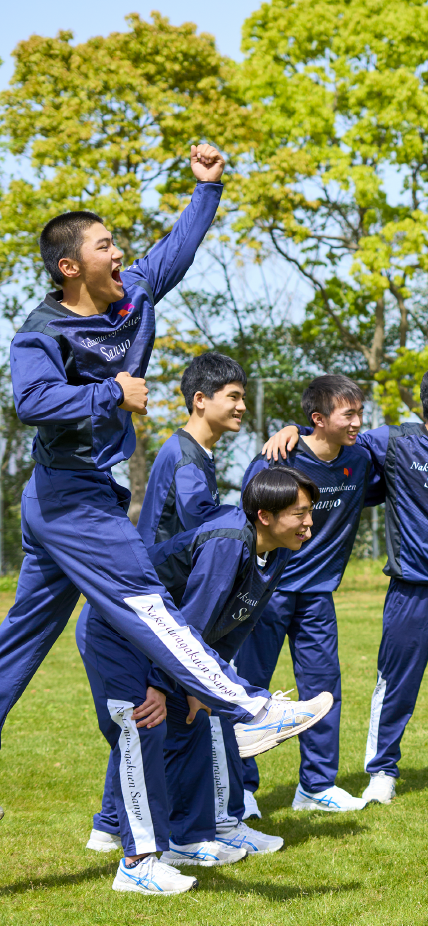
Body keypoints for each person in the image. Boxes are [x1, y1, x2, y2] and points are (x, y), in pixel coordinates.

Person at [0, 146, 321, 891]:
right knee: (148, 598)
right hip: (69, 499)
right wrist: (112, 394)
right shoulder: (39, 334)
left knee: (18, 648)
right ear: (68, 268)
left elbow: (173, 254)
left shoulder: (131, 298)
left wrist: (206, 190)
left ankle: (141, 842)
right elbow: (30, 402)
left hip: (85, 503)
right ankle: (246, 708)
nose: (120, 252)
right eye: (104, 245)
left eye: (117, 243)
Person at [76, 465, 332, 884]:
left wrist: (197, 689)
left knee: (195, 724)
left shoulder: (278, 549)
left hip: (171, 643)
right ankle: (137, 865)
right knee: (145, 730)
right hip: (115, 629)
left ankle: (188, 840)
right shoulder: (229, 542)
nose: (309, 522)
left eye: (309, 512)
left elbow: (236, 621)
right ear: (265, 515)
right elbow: (193, 619)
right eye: (300, 513)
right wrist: (163, 684)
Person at [236, 375, 384, 813]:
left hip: (318, 596)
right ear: (318, 419)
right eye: (349, 414)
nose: (359, 421)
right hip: (266, 592)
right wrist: (291, 433)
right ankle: (241, 791)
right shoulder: (278, 458)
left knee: (323, 689)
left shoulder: (359, 460)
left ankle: (316, 787)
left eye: (360, 412)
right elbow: (248, 514)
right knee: (248, 690)